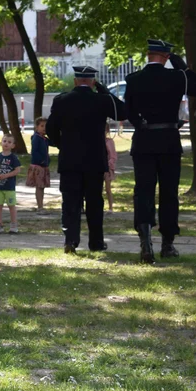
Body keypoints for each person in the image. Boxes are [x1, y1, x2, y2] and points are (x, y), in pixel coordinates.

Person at [124, 39, 196, 263]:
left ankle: (145, 241)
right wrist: (184, 68)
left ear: (148, 55)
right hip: (169, 141)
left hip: (143, 141)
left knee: (143, 191)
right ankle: (167, 243)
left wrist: (142, 123)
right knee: (168, 193)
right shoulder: (176, 76)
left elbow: (129, 112)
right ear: (166, 57)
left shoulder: (133, 79)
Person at [46, 66, 128, 253]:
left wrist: (61, 144)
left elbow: (51, 128)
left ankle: (70, 240)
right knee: (94, 203)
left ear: (75, 81)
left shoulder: (62, 100)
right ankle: (96, 242)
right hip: (94, 160)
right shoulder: (101, 100)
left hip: (70, 160)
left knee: (70, 201)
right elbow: (122, 112)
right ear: (92, 81)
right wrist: (105, 91)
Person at [0, 135, 21, 234]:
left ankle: (13, 225)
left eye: (9, 142)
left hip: (9, 187)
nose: (6, 143)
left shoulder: (13, 157)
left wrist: (6, 175)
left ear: (13, 145)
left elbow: (17, 170)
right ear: (1, 143)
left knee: (11, 206)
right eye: (4, 141)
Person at [27, 117, 51, 212]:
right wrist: (40, 161)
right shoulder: (36, 138)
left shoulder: (44, 139)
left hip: (44, 165)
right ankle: (40, 206)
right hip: (38, 166)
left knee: (42, 187)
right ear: (37, 127)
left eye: (46, 126)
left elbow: (53, 143)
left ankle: (41, 205)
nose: (44, 128)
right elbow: (34, 151)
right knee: (39, 187)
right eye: (42, 126)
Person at [104, 125, 117, 212]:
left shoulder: (109, 142)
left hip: (107, 168)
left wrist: (109, 165)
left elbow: (113, 156)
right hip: (97, 167)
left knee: (108, 188)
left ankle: (110, 207)